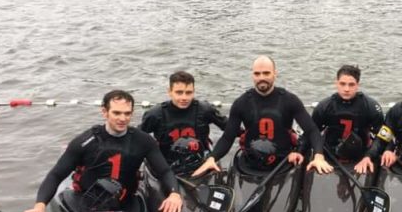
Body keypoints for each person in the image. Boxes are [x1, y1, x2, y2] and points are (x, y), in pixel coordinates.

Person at [23, 90, 182, 212]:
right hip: (85, 202)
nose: (122, 119)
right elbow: (56, 175)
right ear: (104, 112)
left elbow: (164, 171)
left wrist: (174, 194)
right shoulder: (84, 141)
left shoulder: (144, 141)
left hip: (126, 203)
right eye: (116, 113)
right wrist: (40, 206)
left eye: (127, 113)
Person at [192, 55, 333, 176]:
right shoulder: (241, 103)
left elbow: (312, 130)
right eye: (257, 74)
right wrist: (212, 158)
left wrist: (318, 156)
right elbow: (228, 137)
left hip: (283, 161)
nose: (261, 78)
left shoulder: (290, 100)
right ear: (252, 75)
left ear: (275, 74)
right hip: (250, 162)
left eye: (266, 73)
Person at [140, 71, 227, 174]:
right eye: (179, 92)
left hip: (201, 161)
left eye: (188, 93)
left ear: (194, 92)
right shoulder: (155, 114)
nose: (184, 98)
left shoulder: (205, 110)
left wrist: (214, 156)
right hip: (166, 163)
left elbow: (230, 128)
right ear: (170, 92)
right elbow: (136, 138)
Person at [310, 65, 384, 165]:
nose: (346, 89)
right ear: (336, 83)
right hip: (330, 154)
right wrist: (318, 155)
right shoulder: (324, 106)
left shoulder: (371, 107)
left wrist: (369, 156)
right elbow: (312, 132)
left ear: (357, 85)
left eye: (351, 84)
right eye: (342, 84)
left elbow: (382, 137)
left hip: (362, 155)